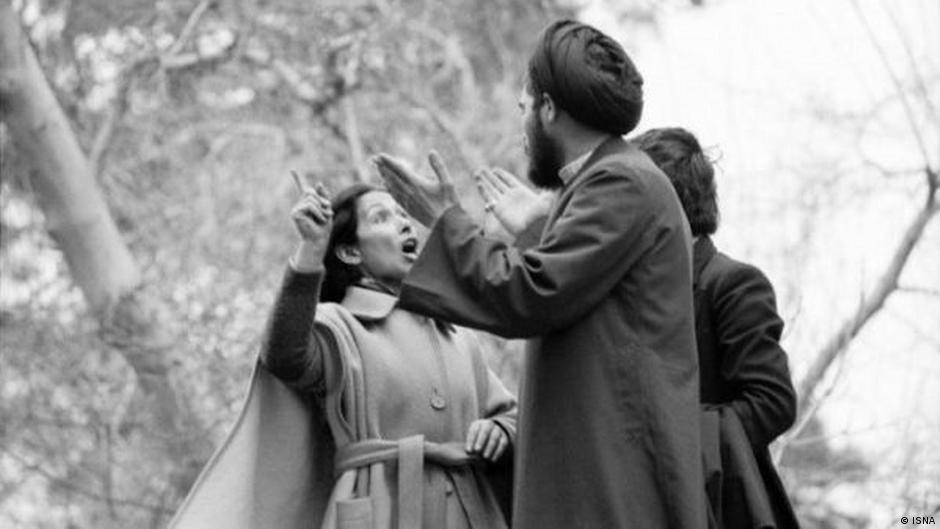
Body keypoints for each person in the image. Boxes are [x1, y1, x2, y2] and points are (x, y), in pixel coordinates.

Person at [374, 19, 706, 529]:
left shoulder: (621, 181)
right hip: (607, 474)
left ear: (549, 108)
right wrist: (538, 232)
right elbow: (589, 303)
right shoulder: (615, 179)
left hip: (615, 481)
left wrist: (445, 220)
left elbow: (531, 293)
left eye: (525, 107)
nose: (521, 125)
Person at [169, 179, 518, 529]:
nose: (404, 223)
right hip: (377, 511)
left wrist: (500, 429)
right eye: (382, 217)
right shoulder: (338, 327)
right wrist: (310, 251)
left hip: (470, 513)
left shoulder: (456, 335)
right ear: (351, 252)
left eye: (403, 214)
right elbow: (286, 357)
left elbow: (512, 415)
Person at [631, 127, 800, 529]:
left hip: (722, 509)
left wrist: (669, 436)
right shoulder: (635, 291)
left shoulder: (734, 284)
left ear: (664, 204)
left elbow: (772, 403)